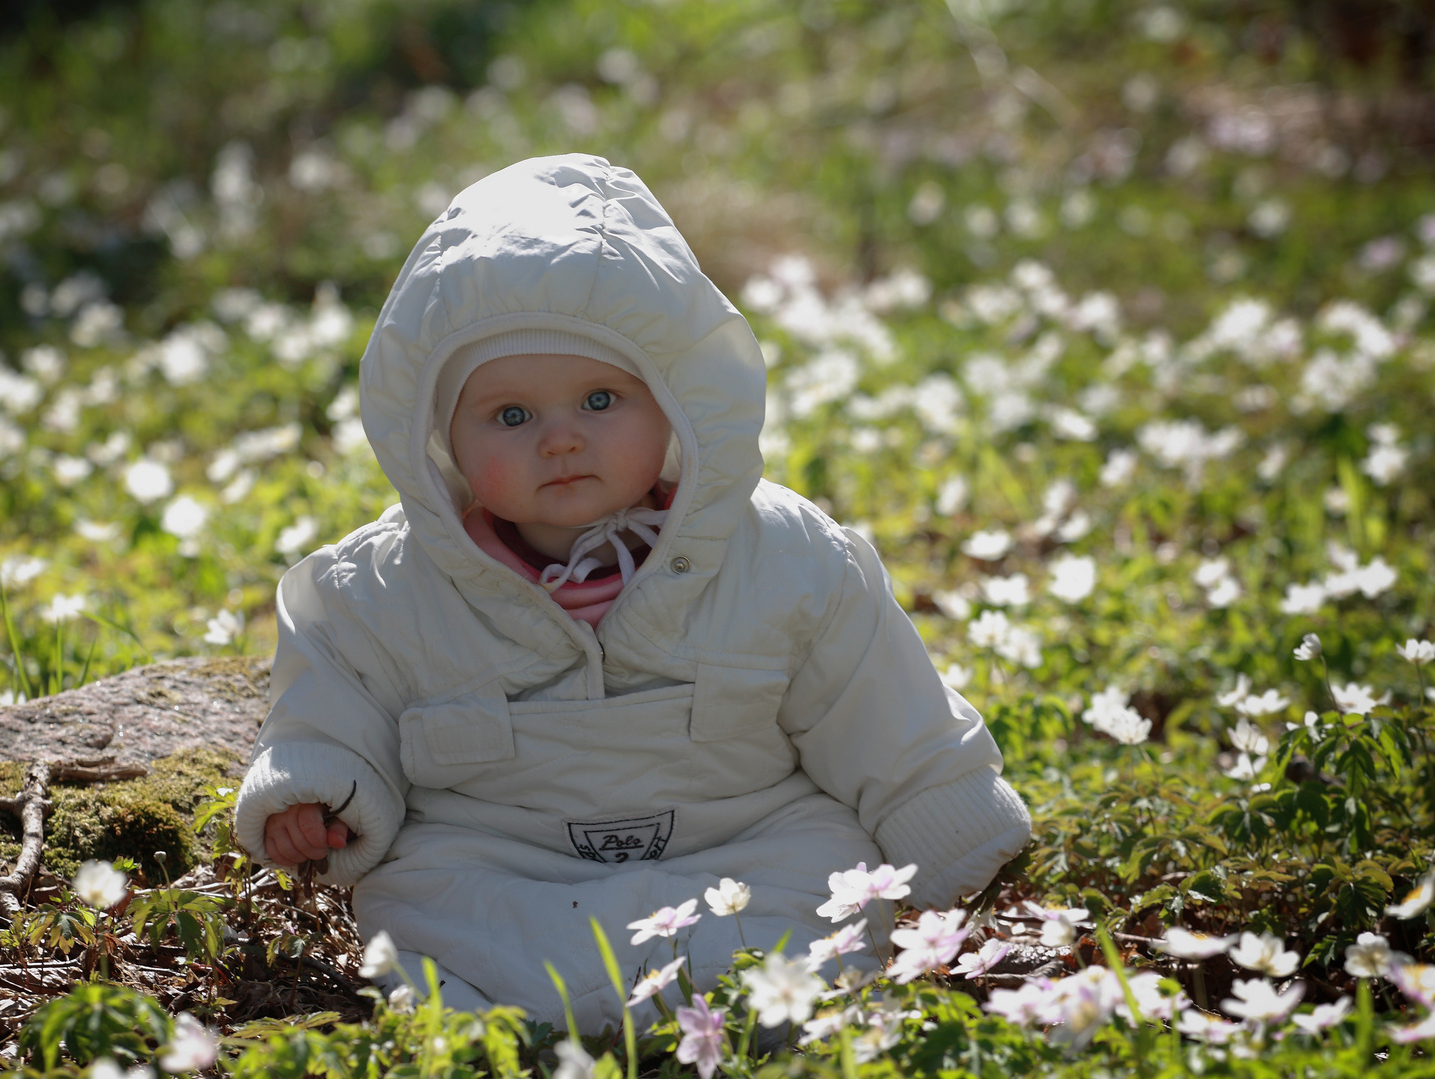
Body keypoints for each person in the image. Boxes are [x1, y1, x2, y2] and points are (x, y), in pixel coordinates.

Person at [233, 154, 1031, 1030]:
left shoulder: (784, 557)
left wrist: (953, 829)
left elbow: (878, 705)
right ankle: (511, 1027)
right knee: (424, 918)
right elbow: (333, 702)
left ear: (677, 404)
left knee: (820, 895)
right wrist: (318, 791)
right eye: (511, 416)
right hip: (501, 866)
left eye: (601, 398)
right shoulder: (377, 591)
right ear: (440, 440)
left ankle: (745, 1010)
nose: (562, 440)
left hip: (742, 846)